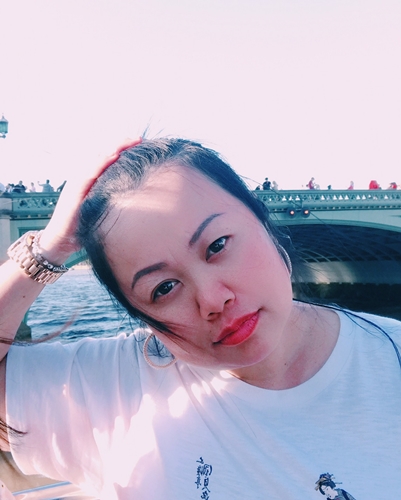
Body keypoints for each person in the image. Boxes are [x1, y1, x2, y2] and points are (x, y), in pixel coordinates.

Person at [0, 137, 400, 499]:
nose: (212, 300)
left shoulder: (392, 356)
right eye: (163, 288)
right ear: (139, 314)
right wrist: (46, 250)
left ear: (262, 218)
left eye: (218, 245)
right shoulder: (117, 389)